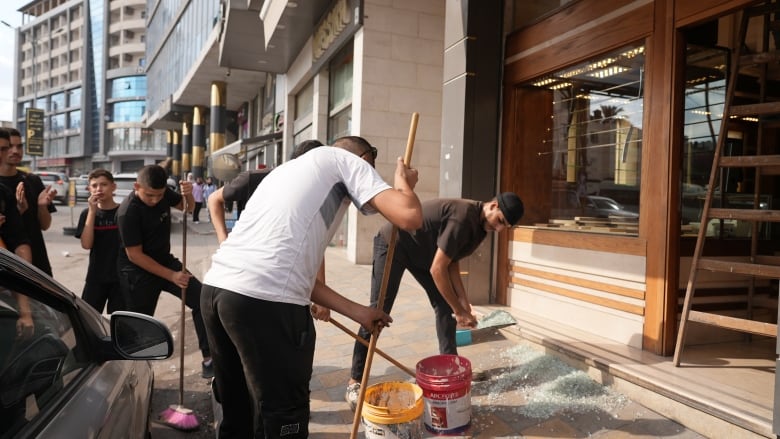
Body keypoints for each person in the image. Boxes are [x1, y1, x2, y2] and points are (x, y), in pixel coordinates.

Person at [201, 135, 422, 438]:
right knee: (283, 418)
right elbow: (409, 216)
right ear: (365, 157)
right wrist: (404, 183)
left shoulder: (286, 172)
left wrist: (359, 312)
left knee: (238, 413)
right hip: (263, 303)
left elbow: (295, 276)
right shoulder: (345, 160)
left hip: (217, 291)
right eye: (371, 165)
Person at [344, 192, 525, 409]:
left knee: (444, 306)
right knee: (377, 313)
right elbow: (438, 269)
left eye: (505, 227)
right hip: (395, 242)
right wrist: (458, 311)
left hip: (423, 253)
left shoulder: (481, 229)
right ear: (493, 205)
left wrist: (463, 302)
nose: (499, 229)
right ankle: (355, 381)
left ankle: (451, 369)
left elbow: (452, 262)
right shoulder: (463, 217)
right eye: (500, 221)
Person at [117, 164, 213, 378]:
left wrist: (188, 196)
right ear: (136, 187)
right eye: (150, 195)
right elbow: (135, 255)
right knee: (141, 326)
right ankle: (135, 375)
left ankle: (209, 359)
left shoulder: (163, 194)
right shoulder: (127, 212)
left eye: (160, 195)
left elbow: (187, 208)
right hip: (137, 272)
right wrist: (172, 276)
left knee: (201, 298)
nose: (155, 200)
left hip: (165, 261)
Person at [207, 139, 324, 244]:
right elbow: (214, 199)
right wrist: (223, 241)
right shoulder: (253, 179)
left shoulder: (311, 191)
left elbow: (315, 240)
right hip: (249, 253)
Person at [0, 128, 56, 276]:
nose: (15, 151)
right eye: (10, 146)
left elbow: (45, 225)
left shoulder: (32, 180)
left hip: (38, 261)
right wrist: (17, 211)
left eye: (19, 146)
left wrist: (42, 207)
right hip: (9, 264)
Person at [74, 169, 124, 314]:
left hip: (120, 279)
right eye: (94, 185)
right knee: (87, 320)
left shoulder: (123, 212)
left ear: (113, 187)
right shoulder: (87, 214)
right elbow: (86, 244)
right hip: (96, 277)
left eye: (104, 184)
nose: (99, 189)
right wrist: (92, 211)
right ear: (89, 188)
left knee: (119, 324)